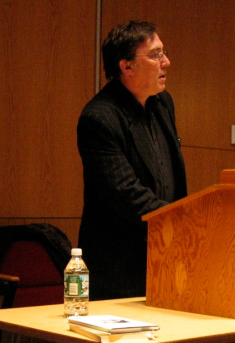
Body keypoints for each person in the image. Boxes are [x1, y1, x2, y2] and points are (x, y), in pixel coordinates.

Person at [77, 21, 187, 301]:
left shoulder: (163, 104)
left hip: (164, 257)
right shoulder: (100, 118)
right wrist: (185, 221)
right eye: (155, 55)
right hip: (119, 270)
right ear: (126, 67)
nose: (167, 62)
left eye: (163, 52)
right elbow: (125, 194)